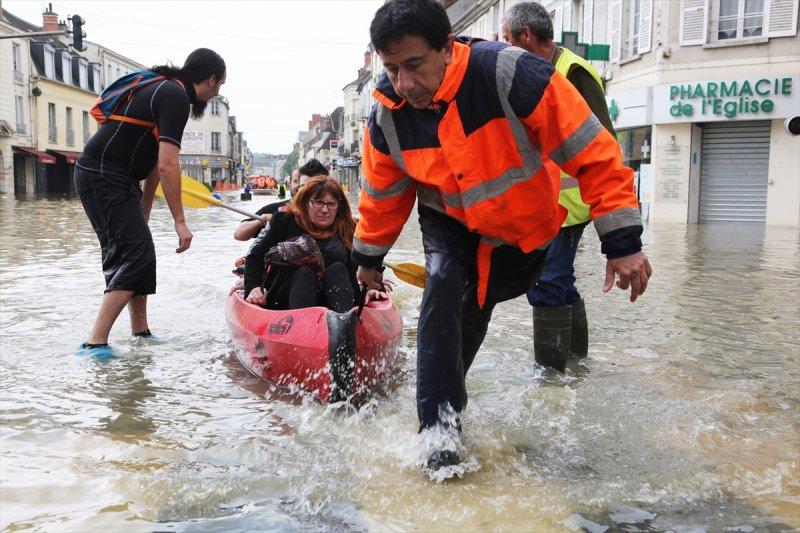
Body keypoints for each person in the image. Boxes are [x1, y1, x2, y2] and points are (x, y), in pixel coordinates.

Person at [355, 0, 652, 470]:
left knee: (477, 316)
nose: (404, 83)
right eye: (391, 69)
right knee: (443, 286)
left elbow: (593, 152)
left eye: (414, 66)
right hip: (448, 221)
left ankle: (550, 377)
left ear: (447, 49)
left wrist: (623, 243)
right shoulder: (387, 114)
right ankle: (438, 434)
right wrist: (368, 257)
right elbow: (382, 196)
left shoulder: (512, 75)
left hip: (521, 231)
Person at [74, 48, 226, 357]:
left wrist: (145, 206)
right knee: (137, 255)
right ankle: (95, 343)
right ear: (211, 81)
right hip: (104, 177)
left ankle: (140, 333)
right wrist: (180, 221)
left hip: (111, 178)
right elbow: (170, 165)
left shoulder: (167, 88)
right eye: (220, 86)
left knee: (138, 253)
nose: (216, 94)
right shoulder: (175, 96)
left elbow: (158, 162)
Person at [501, 2, 618, 372]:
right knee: (561, 283)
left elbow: (605, 143)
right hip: (547, 202)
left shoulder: (573, 71)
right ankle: (575, 365)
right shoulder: (531, 72)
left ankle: (550, 378)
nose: (505, 47)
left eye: (508, 39)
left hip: (570, 202)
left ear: (526, 36)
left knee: (545, 283)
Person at [244, 177, 383, 313]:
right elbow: (255, 256)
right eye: (318, 202)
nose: (324, 210)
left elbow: (368, 268)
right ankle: (303, 328)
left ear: (338, 206)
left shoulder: (349, 227)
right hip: (288, 297)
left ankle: (344, 324)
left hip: (336, 297)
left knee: (338, 269)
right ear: (306, 203)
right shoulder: (284, 221)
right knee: (305, 273)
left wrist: (372, 289)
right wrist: (253, 287)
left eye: (331, 204)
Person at [233, 159, 329, 241]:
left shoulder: (334, 213)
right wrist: (261, 221)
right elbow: (239, 234)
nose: (306, 190)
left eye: (312, 185)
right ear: (290, 184)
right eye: (296, 181)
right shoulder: (277, 211)